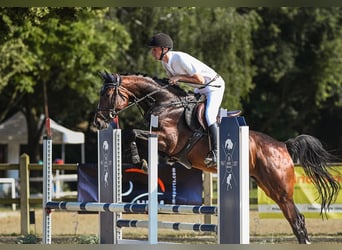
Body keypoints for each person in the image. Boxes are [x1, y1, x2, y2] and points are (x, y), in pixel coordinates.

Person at [147, 33, 225, 167]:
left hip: (213, 87)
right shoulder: (165, 63)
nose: (152, 52)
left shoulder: (179, 59)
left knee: (209, 116)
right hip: (199, 89)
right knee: (182, 111)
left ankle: (217, 153)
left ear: (164, 49)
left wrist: (178, 78)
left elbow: (199, 79)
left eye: (155, 49)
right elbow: (174, 84)